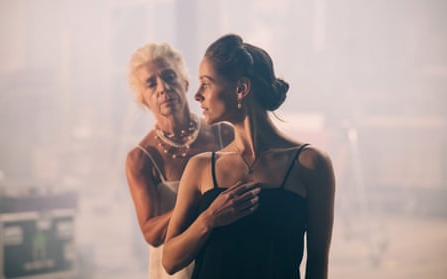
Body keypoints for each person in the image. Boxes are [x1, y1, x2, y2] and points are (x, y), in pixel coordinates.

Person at [162, 34, 335, 279]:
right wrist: (209, 219)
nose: (197, 95)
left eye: (207, 83)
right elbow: (169, 261)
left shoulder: (311, 164)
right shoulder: (200, 167)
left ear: (241, 89)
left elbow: (317, 263)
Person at [126, 42, 234, 279]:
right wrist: (200, 206)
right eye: (151, 84)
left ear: (185, 83)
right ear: (142, 98)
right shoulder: (142, 158)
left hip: (224, 260)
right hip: (177, 269)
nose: (163, 88)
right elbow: (151, 232)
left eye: (169, 76)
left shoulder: (223, 134)